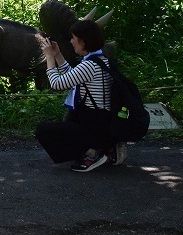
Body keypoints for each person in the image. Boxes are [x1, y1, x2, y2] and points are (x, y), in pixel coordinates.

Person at [34, 19, 126, 172]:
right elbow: (72, 76)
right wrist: (57, 55)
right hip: (103, 122)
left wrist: (49, 58)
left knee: (44, 130)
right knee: (69, 119)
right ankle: (106, 148)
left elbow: (57, 84)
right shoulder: (100, 60)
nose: (71, 42)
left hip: (94, 125)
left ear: (83, 42)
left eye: (73, 38)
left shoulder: (89, 65)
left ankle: (93, 154)